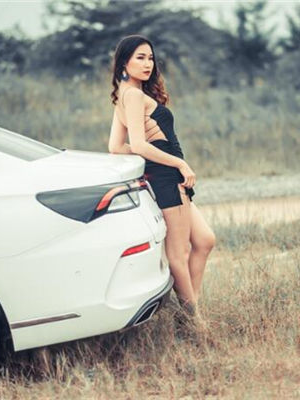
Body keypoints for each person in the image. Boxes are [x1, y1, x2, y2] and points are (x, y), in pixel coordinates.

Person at [107, 35, 216, 321]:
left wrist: (153, 158)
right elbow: (138, 144)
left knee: (204, 240)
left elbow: (116, 147)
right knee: (178, 254)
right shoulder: (132, 95)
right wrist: (178, 163)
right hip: (168, 176)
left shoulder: (126, 95)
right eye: (140, 58)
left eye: (151, 58)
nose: (148, 64)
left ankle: (188, 310)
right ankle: (194, 321)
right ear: (124, 62)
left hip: (167, 175)